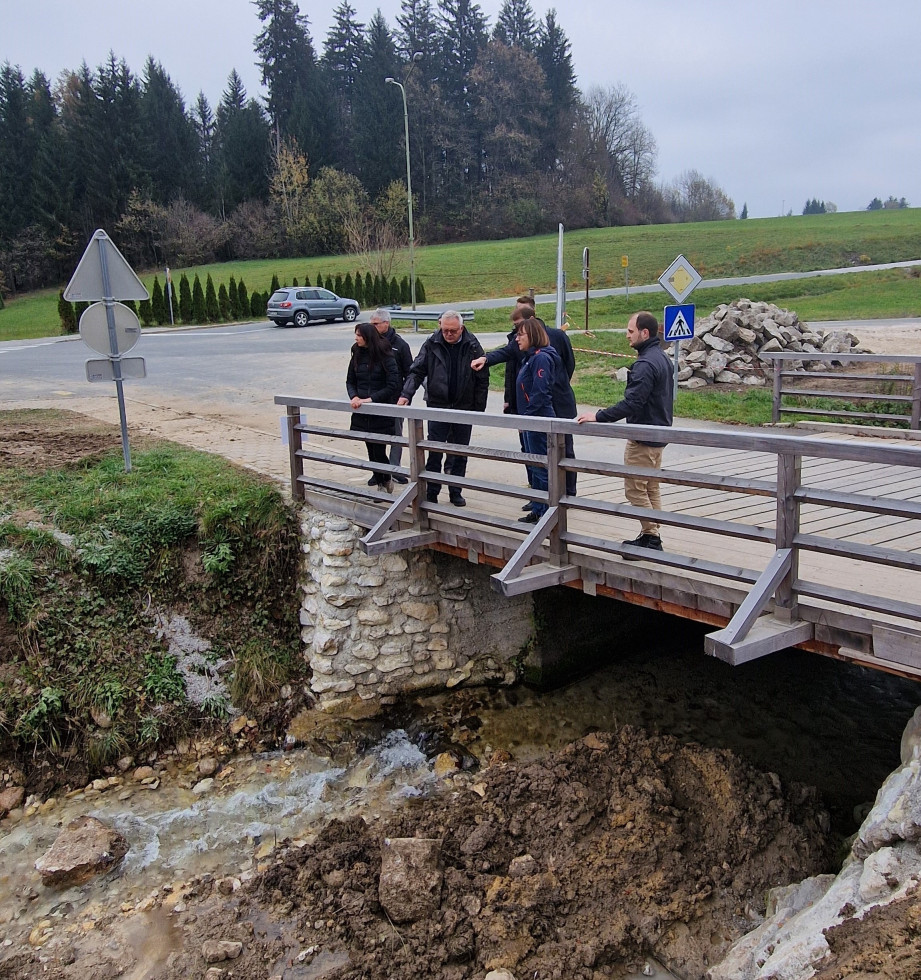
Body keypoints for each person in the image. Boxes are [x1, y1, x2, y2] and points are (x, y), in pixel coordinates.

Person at [576, 311, 673, 554]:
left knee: (635, 489)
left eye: (630, 331)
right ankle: (652, 535)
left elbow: (632, 403)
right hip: (659, 434)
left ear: (644, 333)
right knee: (650, 487)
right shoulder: (662, 358)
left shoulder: (645, 364)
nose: (626, 336)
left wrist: (598, 416)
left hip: (643, 436)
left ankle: (651, 537)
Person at [471, 304, 578, 506]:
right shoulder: (524, 348)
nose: (516, 335)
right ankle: (538, 500)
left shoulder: (555, 340)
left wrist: (555, 383)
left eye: (519, 329)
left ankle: (567, 495)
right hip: (532, 409)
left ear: (531, 322)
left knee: (564, 451)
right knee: (534, 456)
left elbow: (569, 364)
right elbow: (505, 353)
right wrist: (485, 359)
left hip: (556, 404)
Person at [398, 311, 488, 507]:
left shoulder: (472, 345)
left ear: (461, 329)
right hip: (438, 406)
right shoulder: (432, 343)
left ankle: (456, 491)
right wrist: (406, 394)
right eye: (445, 330)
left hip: (464, 407)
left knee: (460, 452)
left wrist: (478, 409)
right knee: (435, 451)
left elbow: (482, 378)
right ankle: (432, 492)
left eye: (453, 331)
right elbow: (416, 370)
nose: (448, 334)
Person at [512, 316, 561, 524]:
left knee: (541, 468)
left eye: (520, 334)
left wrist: (528, 419)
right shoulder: (531, 357)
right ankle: (539, 508)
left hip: (538, 420)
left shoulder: (541, 358)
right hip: (532, 419)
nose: (516, 338)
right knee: (535, 465)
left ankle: (545, 513)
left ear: (532, 335)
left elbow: (540, 392)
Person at [347, 320, 401, 493]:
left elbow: (392, 384)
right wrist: (354, 396)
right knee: (370, 448)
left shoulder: (386, 355)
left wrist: (371, 399)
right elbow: (350, 380)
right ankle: (381, 481)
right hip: (361, 411)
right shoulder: (356, 353)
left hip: (380, 411)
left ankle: (385, 478)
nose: (356, 338)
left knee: (379, 449)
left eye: (359, 335)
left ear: (368, 337)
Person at [369, 308, 413, 485]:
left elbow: (410, 372)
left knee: (395, 434)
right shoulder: (368, 344)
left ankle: (394, 469)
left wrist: (405, 394)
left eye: (375, 324)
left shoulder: (400, 346)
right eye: (371, 324)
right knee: (373, 436)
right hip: (374, 398)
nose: (372, 327)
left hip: (395, 399)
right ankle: (378, 471)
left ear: (386, 324)